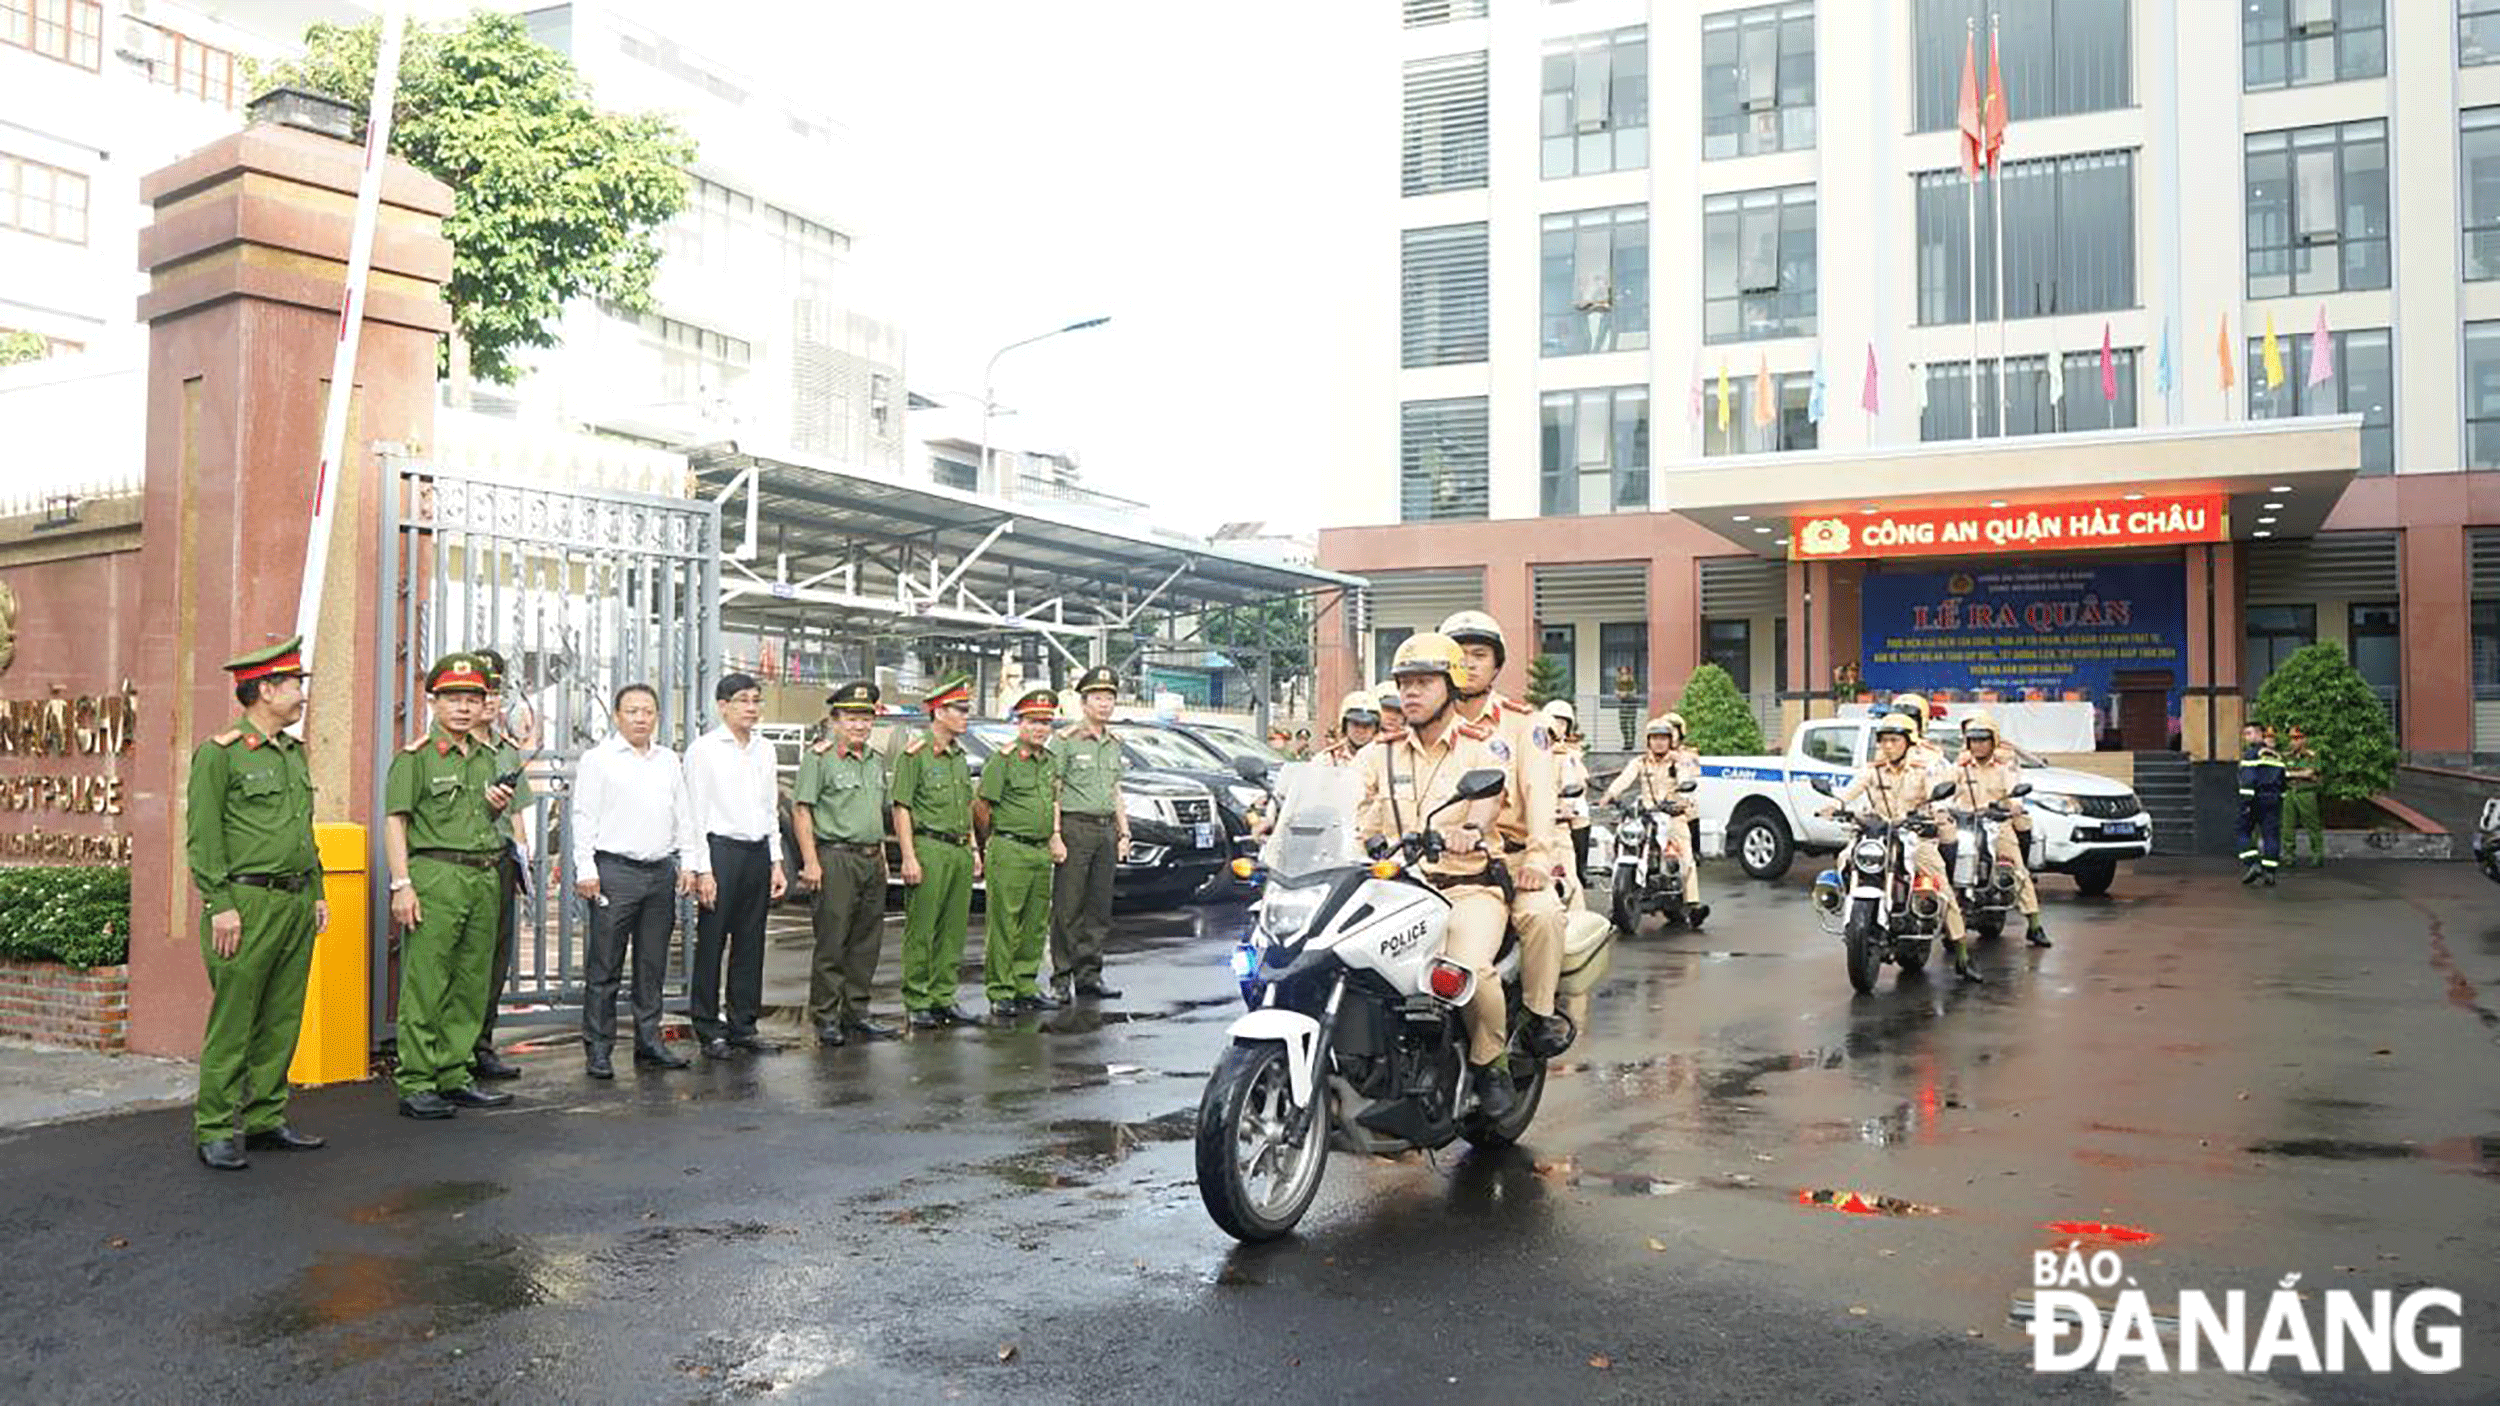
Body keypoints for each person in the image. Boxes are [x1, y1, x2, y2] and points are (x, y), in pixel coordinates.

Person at [1354, 633, 1523, 1119]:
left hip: (1465, 889)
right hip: (1394, 890)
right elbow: (1349, 803)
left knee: (1469, 970)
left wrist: (1471, 829)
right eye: (1404, 683)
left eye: (1424, 682)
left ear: (1450, 686)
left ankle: (1492, 1063)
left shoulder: (1480, 748)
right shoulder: (1379, 754)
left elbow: (1489, 800)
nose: (1410, 693)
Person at [185, 635, 327, 1169]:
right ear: (265, 689)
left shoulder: (293, 753)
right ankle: (216, 1126)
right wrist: (219, 903)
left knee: (282, 1016)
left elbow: (301, 830)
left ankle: (266, 1118)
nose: (301, 695)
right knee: (235, 1018)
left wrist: (316, 892)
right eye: (295, 685)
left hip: (293, 901)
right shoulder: (219, 754)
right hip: (244, 904)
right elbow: (203, 837)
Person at [383, 653, 525, 1118]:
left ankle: (455, 1072)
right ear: (433, 702)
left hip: (483, 874)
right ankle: (417, 1080)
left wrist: (493, 807)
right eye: (453, 699)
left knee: (471, 980)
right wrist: (401, 884)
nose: (463, 708)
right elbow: (396, 822)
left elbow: (477, 820)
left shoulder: (489, 757)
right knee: (427, 981)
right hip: (436, 876)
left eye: (472, 699)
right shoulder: (415, 758)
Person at [1436, 610, 1568, 1050]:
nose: (1469, 664)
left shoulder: (1523, 723)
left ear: (1496, 665)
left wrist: (1537, 856)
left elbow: (1541, 794)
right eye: (1459, 655)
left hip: (1508, 855)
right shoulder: (1427, 720)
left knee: (1542, 915)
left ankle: (1537, 1015)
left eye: (1480, 655)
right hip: (1436, 859)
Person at [569, 682, 702, 1079]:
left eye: (648, 711)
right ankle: (599, 1047)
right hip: (615, 872)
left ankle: (649, 1042)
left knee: (652, 964)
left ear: (657, 716)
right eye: (633, 711)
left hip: (660, 872)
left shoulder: (667, 760)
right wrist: (586, 869)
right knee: (605, 965)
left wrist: (690, 863)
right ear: (617, 715)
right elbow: (583, 817)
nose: (641, 718)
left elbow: (684, 814)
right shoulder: (599, 760)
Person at [1826, 713, 1979, 982]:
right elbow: (1852, 788)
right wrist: (1836, 804)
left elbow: (1936, 794)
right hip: (1878, 836)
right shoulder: (1873, 769)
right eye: (1884, 740)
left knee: (1942, 887)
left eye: (1894, 740)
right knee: (1844, 858)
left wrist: (1939, 811)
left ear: (1909, 742)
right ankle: (1845, 907)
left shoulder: (1923, 769)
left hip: (1913, 836)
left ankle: (1962, 955)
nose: (1887, 746)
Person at [792, 680, 900, 1047]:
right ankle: (825, 1016)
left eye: (866, 718)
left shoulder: (874, 761)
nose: (860, 726)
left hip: (871, 858)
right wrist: (811, 862)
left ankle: (856, 1013)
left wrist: (883, 858)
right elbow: (802, 810)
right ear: (834, 721)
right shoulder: (819, 759)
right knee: (832, 942)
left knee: (866, 942)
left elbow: (874, 815)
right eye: (852, 718)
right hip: (835, 857)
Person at [685, 672, 788, 1057]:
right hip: (720, 851)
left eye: (756, 700)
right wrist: (703, 869)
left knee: (751, 943)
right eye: (743, 700)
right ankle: (707, 1026)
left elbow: (769, 808)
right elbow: (695, 812)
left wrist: (776, 860)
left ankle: (743, 1025)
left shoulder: (765, 749)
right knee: (712, 943)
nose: (751, 708)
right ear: (722, 705)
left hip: (756, 851)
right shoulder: (705, 750)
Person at [894, 674, 982, 1029]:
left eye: (965, 709)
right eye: (959, 710)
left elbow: (966, 805)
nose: (965, 716)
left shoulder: (959, 757)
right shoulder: (915, 754)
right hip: (929, 846)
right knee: (923, 927)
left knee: (953, 927)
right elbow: (902, 807)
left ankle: (944, 996)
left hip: (959, 848)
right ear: (938, 712)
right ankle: (917, 999)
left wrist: (974, 848)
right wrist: (909, 856)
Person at [978, 688, 1067, 1023]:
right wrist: (993, 842)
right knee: (1005, 923)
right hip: (1010, 847)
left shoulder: (1049, 761)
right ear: (1019, 722)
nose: (1040, 729)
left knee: (1035, 922)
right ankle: (1000, 991)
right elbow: (983, 806)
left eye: (1046, 722)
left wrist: (1053, 837)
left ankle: (1025, 985)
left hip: (1039, 850)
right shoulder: (1003, 760)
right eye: (1033, 721)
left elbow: (1052, 801)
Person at [466, 648, 528, 1084]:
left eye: (495, 691)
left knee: (494, 959)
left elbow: (519, 814)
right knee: (463, 960)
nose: (490, 700)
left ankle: (481, 1044)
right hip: (462, 864)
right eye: (482, 692)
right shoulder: (449, 750)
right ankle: (451, 1051)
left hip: (502, 860)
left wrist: (524, 860)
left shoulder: (507, 751)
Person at [1048, 666, 1129, 999]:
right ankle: (1061, 978)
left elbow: (1115, 789)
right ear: (1084, 703)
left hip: (1105, 829)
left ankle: (1089, 974)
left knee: (1098, 907)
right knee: (1068, 906)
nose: (1104, 705)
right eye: (1098, 698)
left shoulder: (1113, 743)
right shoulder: (1065, 741)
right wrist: (1055, 834)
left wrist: (1124, 832)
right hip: (1074, 827)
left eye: (1109, 698)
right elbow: (1054, 787)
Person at [1951, 709, 2049, 948]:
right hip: (1966, 823)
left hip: (1996, 823)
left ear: (1993, 740)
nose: (1978, 745)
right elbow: (1947, 785)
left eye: (1983, 739)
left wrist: (2013, 806)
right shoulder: (1962, 764)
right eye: (1973, 740)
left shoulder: (2006, 764)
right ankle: (1950, 926)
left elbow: (2014, 790)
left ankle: (2034, 925)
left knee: (2018, 871)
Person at [1599, 713, 1708, 926]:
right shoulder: (1640, 762)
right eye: (1654, 738)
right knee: (1622, 841)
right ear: (1648, 741)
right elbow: (1625, 778)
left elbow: (1686, 782)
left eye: (1663, 738)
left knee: (1685, 857)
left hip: (1672, 815)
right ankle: (1619, 901)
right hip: (1647, 816)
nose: (1659, 742)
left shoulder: (1679, 762)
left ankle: (1692, 905)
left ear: (1670, 741)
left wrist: (1682, 801)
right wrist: (1610, 795)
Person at [1543, 700, 1593, 882]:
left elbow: (1576, 779)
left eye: (1563, 723)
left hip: (1564, 803)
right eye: (1555, 720)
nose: (1558, 726)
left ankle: (1581, 869)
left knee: (1582, 815)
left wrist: (1567, 804)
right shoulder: (1533, 749)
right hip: (1537, 803)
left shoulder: (1569, 753)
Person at [2236, 722, 2287, 887]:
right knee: (2271, 835)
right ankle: (2270, 872)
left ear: (2259, 734)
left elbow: (2248, 780)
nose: (2246, 737)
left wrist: (2246, 803)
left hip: (2255, 799)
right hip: (2274, 799)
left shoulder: (2251, 754)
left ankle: (2253, 863)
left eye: (2249, 733)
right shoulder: (2277, 756)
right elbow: (2283, 781)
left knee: (2242, 832)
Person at [2282, 724, 2326, 868]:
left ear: (2304, 739)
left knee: (2312, 824)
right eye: (2292, 738)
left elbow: (2311, 773)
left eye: (2297, 738)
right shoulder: (2285, 755)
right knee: (2287, 825)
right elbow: (2282, 774)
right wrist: (2300, 774)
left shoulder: (2313, 755)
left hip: (2306, 793)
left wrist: (2292, 774)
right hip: (2289, 792)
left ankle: (2317, 854)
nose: (2294, 741)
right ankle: (2289, 855)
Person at [1315, 690, 1381, 767]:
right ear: (1345, 725)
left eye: (1367, 725)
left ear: (1376, 728)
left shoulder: (1385, 757)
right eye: (1356, 724)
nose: (1361, 730)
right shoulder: (1327, 759)